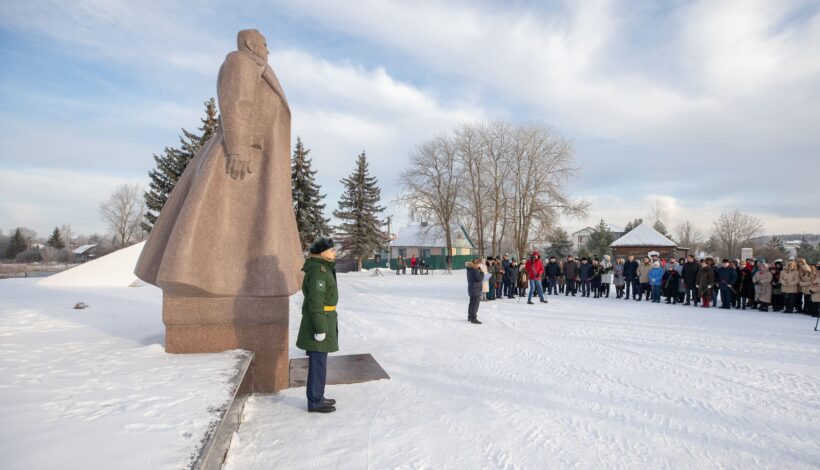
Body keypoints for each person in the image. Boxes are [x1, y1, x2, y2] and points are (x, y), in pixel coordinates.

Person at [296, 237, 339, 413]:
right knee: (317, 363)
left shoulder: (323, 268)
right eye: (332, 250)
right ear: (323, 253)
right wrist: (321, 329)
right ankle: (315, 401)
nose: (334, 252)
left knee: (320, 362)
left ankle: (318, 395)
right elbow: (315, 302)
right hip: (320, 321)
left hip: (326, 317)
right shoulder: (320, 272)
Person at [465, 258, 484, 324]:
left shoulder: (469, 269)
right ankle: (473, 318)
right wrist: (482, 272)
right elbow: (479, 278)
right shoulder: (474, 269)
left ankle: (470, 316)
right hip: (476, 289)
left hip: (472, 288)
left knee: (472, 303)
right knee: (475, 304)